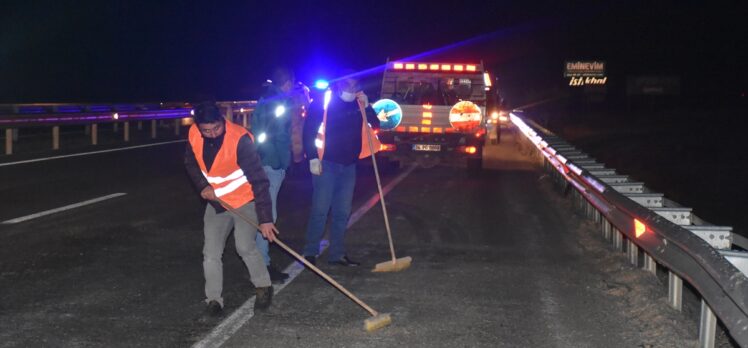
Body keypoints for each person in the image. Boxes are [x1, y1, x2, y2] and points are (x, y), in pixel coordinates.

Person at [184, 102, 276, 316]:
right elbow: (190, 163)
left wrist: (265, 219)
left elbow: (260, 180)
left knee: (244, 247)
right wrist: (203, 186)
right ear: (198, 127)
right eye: (206, 130)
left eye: (216, 128)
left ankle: (264, 286)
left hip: (245, 201)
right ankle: (214, 300)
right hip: (218, 204)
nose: (212, 134)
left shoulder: (240, 139)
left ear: (222, 120)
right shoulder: (194, 135)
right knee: (210, 253)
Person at [302, 71, 380, 266]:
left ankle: (337, 254)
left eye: (354, 86)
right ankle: (310, 251)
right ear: (338, 85)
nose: (351, 90)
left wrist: (368, 105)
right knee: (320, 209)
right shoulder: (324, 102)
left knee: (342, 212)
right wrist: (312, 157)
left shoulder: (359, 103)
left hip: (349, 166)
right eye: (347, 85)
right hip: (326, 164)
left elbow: (377, 124)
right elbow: (309, 130)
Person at [250, 67, 297, 283]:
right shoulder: (280, 102)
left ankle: (260, 261)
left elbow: (259, 130)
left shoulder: (264, 98)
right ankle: (263, 266)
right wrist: (284, 163)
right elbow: (279, 135)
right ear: (287, 82)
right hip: (272, 162)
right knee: (268, 216)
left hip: (261, 159)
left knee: (263, 213)